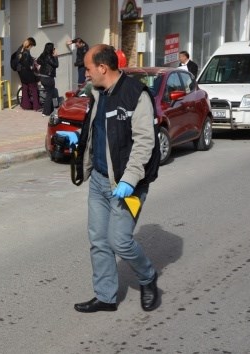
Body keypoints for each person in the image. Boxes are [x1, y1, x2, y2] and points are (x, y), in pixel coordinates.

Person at [56, 44, 161, 313]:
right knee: (99, 241)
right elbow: (96, 133)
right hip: (99, 181)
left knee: (120, 241)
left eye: (88, 68)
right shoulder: (97, 94)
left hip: (128, 184)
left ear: (103, 68)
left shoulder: (135, 95)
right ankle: (106, 296)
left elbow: (144, 142)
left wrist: (130, 179)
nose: (86, 74)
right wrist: (79, 151)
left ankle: (148, 277)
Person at [16, 37, 40, 111]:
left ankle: (26, 106)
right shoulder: (26, 52)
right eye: (32, 46)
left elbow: (22, 59)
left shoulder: (21, 50)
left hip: (21, 74)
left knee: (25, 88)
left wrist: (31, 58)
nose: (31, 48)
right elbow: (26, 64)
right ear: (29, 45)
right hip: (27, 73)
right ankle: (36, 106)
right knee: (34, 88)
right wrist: (32, 65)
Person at [36, 42, 59, 116]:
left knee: (53, 92)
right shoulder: (49, 56)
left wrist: (44, 63)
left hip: (42, 77)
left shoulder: (43, 54)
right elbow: (56, 65)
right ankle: (45, 112)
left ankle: (53, 108)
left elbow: (38, 61)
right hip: (48, 78)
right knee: (49, 94)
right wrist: (55, 56)